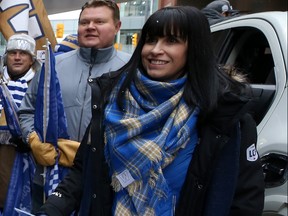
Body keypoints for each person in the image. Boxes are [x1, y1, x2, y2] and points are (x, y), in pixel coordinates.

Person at [36, 6, 265, 216]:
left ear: (195, 48)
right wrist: (51, 210)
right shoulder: (113, 100)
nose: (156, 50)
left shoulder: (224, 114)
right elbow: (84, 171)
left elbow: (245, 200)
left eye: (171, 40)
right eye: (151, 40)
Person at [18, 0, 131, 213]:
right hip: (49, 178)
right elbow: (26, 110)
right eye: (84, 22)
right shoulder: (53, 66)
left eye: (99, 21)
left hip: (103, 182)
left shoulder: (131, 69)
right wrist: (32, 139)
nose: (90, 26)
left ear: (117, 27)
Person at [0, 33, 41, 212]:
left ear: (31, 59)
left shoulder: (40, 82)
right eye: (12, 53)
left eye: (23, 53)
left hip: (23, 154)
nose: (17, 57)